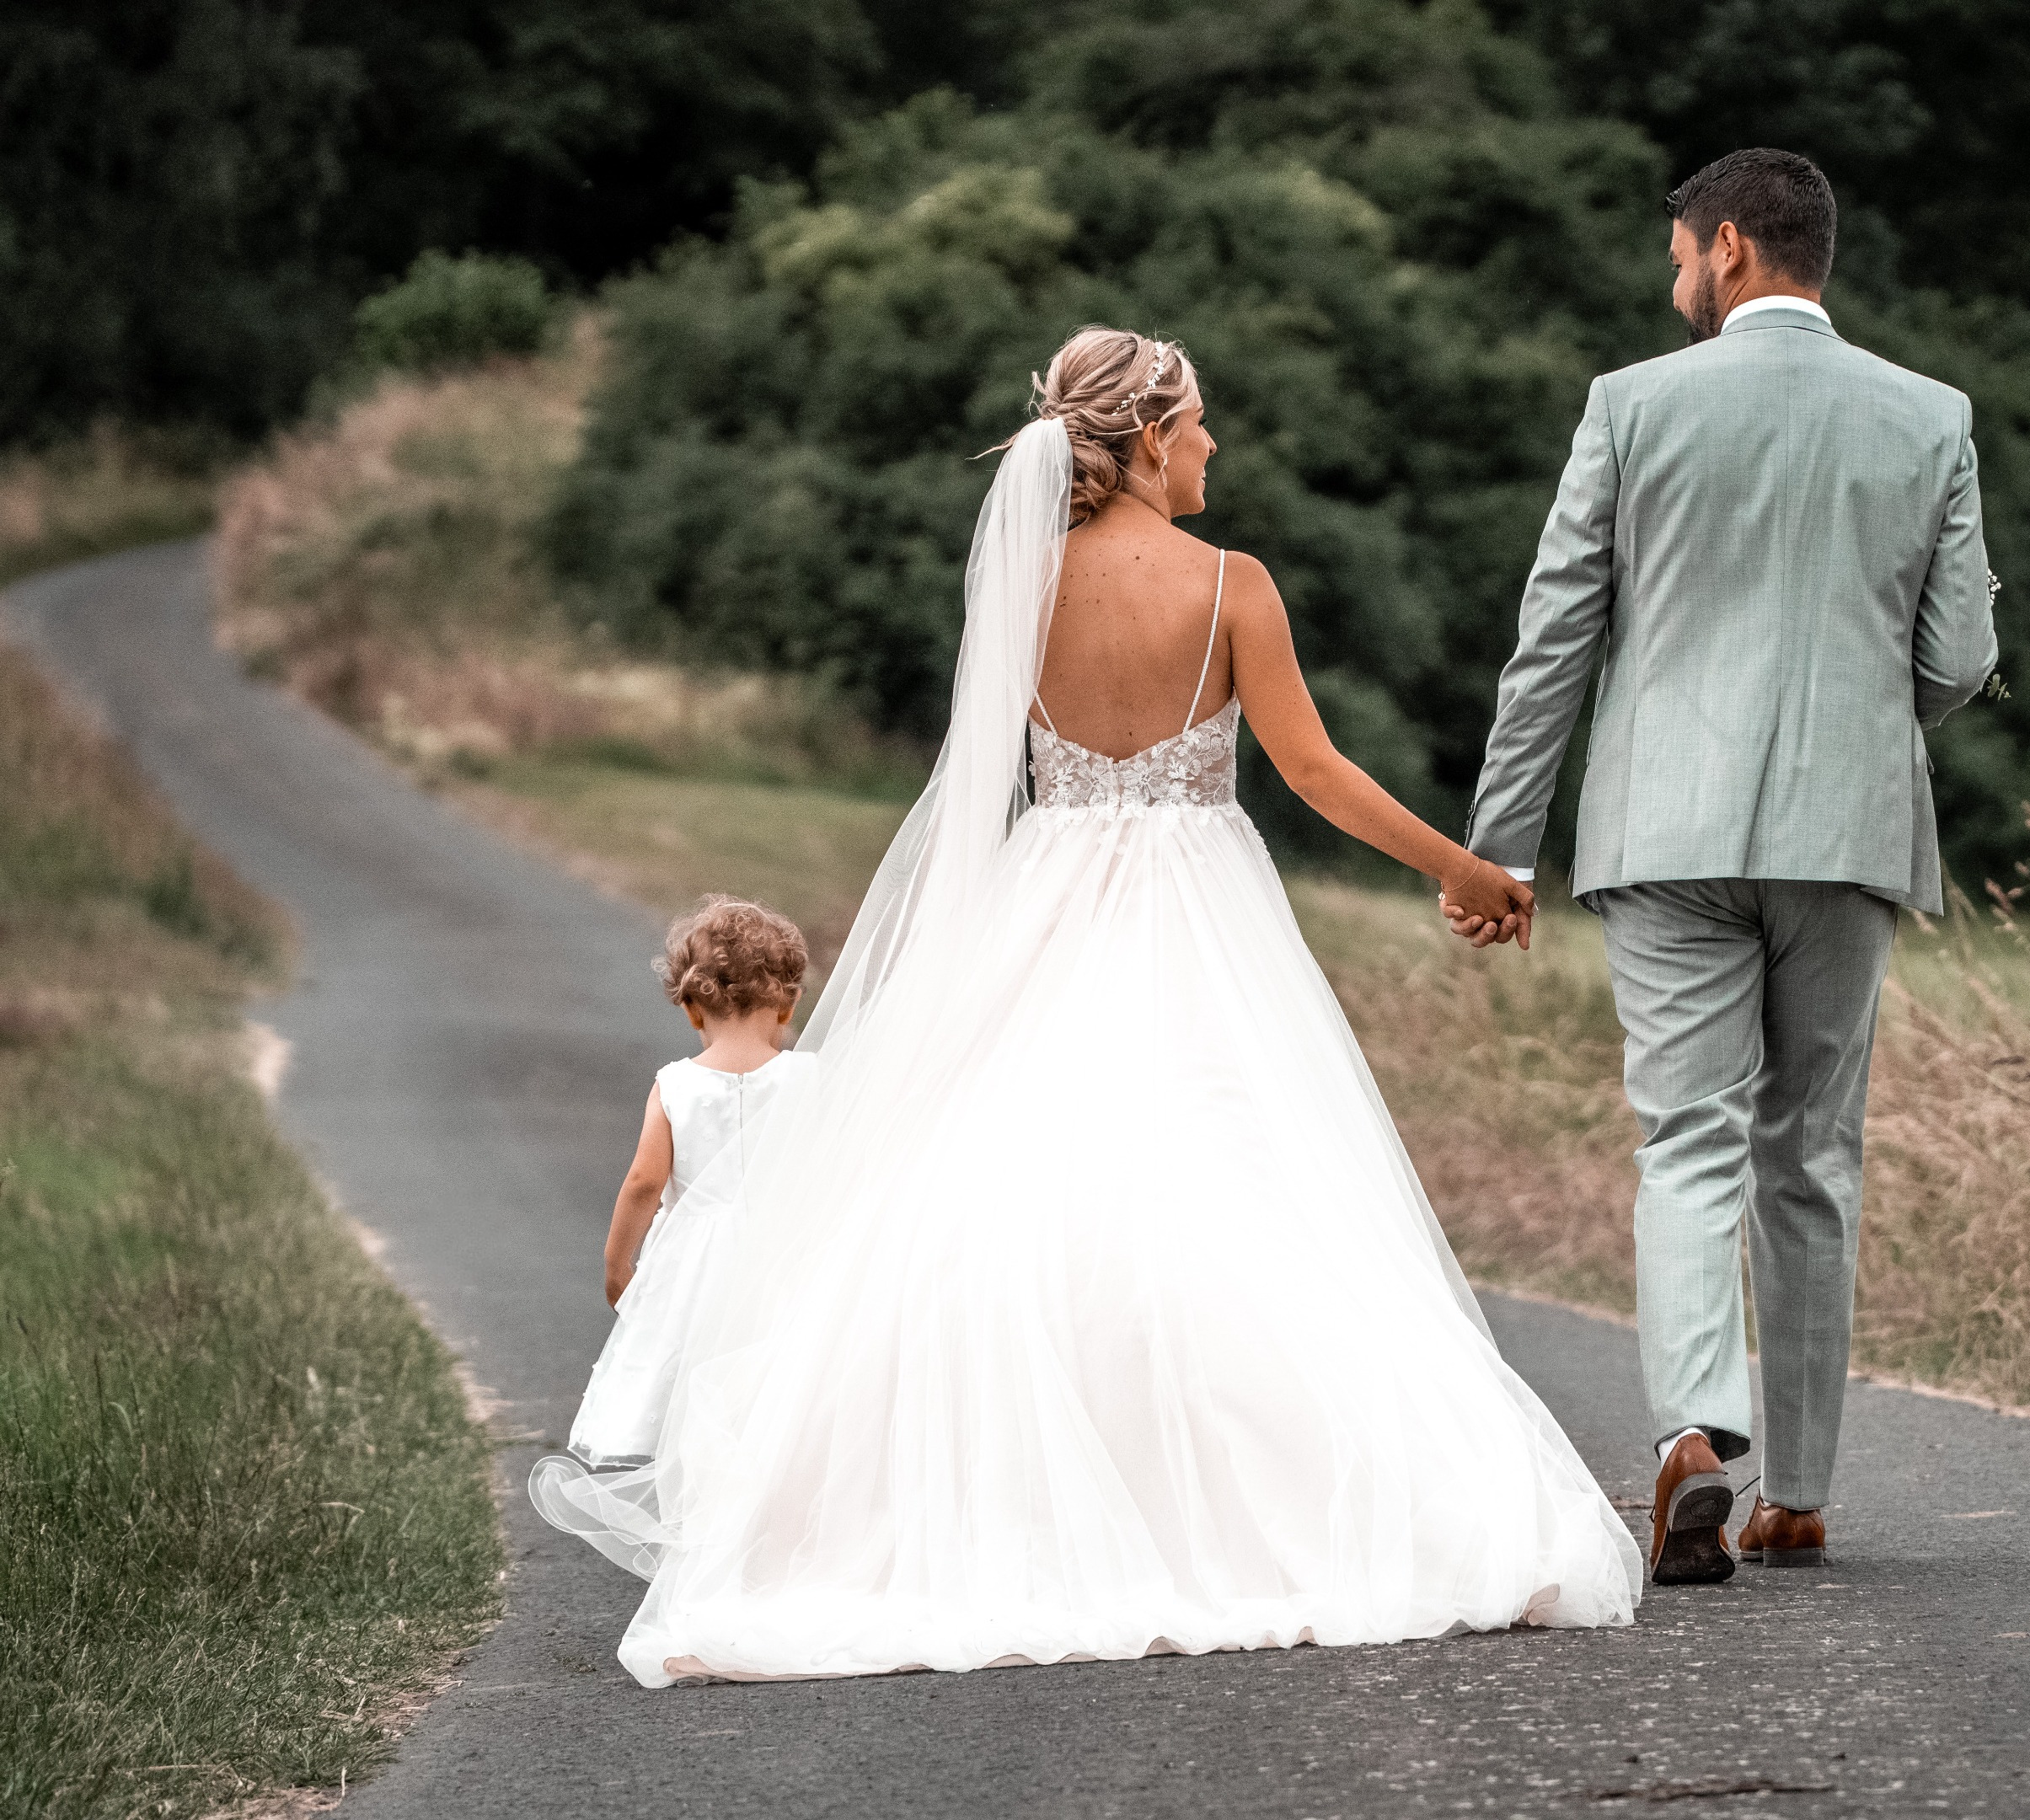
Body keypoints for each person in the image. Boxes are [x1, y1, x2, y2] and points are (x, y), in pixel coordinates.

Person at [538, 326, 1642, 1684]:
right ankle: (1236, 1504)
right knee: (1229, 1182)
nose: (1216, 448)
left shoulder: (1024, 589)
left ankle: (1015, 1501)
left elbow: (974, 792)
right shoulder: (1234, 586)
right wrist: (1466, 865)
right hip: (1195, 906)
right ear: (1150, 436)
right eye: (1202, 425)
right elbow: (1311, 771)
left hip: (1044, 899)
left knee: (1018, 1189)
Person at [1453, 148, 1999, 1584]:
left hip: (1667, 831)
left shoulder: (1630, 408)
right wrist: (1860, 720)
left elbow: (1553, 645)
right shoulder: (1931, 418)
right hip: (1849, 831)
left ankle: (1698, 1432)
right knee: (1810, 1154)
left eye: (1681, 250)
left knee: (1686, 1138)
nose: (1672, 276)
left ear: (1736, 248)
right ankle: (1801, 1493)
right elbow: (1963, 658)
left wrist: (1498, 851)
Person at [528, 898, 812, 1539]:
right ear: (788, 1004)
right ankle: (771, 1530)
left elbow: (645, 1182)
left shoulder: (676, 1085)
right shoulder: (810, 1079)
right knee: (778, 1395)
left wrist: (618, 1262)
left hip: (696, 1269)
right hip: (789, 1260)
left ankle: (704, 1527)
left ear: (690, 1007)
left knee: (693, 1393)